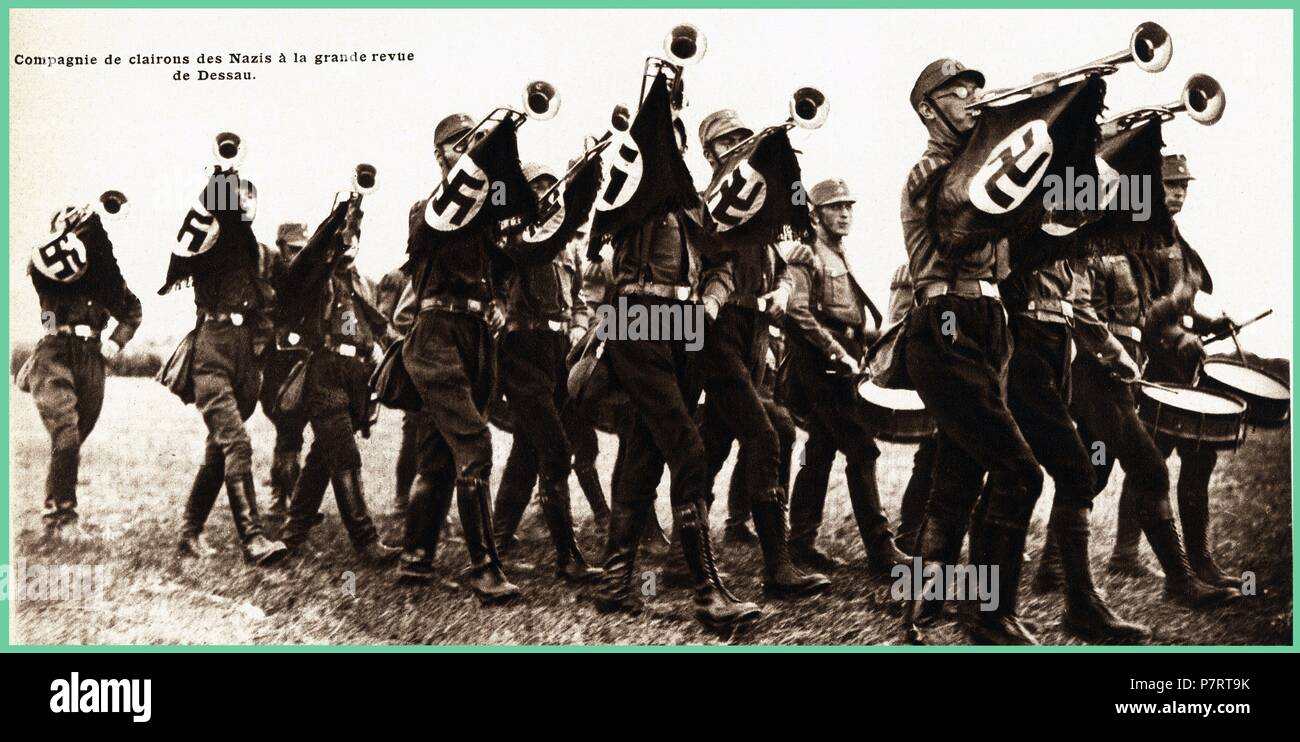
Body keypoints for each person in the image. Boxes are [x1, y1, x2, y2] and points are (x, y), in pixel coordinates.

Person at [592, 114, 764, 631]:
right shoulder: (628, 186)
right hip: (632, 315)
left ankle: (614, 583)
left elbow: (721, 267)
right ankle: (707, 593)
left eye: (674, 134)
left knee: (647, 449)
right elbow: (608, 210)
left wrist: (709, 304)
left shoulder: (696, 201)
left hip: (685, 323)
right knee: (688, 449)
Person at [900, 59, 1044, 644]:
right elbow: (963, 221)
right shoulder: (933, 171)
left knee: (958, 473)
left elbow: (1009, 255)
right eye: (957, 94)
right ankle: (987, 615)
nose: (972, 101)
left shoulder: (982, 171)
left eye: (975, 92)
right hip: (945, 319)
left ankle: (922, 607)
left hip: (985, 319)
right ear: (929, 111)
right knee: (1020, 471)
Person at [694, 109, 830, 598]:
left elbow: (783, 266)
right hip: (717, 330)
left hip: (754, 334)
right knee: (770, 431)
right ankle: (778, 567)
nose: (738, 145)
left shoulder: (759, 209)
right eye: (727, 140)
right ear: (709, 152)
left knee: (711, 446)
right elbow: (708, 262)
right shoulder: (712, 206)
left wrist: (782, 289)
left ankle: (678, 556)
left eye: (742, 138)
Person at [394, 112, 522, 604]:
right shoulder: (427, 209)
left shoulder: (487, 213)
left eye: (475, 141)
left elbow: (505, 268)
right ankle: (484, 568)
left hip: (472, 336)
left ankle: (416, 559)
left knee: (436, 452)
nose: (469, 148)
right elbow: (443, 224)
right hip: (435, 335)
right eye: (458, 144)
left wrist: (500, 303)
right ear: (440, 155)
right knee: (475, 444)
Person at [999, 254, 1149, 641]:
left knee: (1016, 473)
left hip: (1052, 350)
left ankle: (996, 607)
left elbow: (1072, 303)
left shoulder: (1073, 250)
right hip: (1022, 347)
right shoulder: (1037, 228)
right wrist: (1114, 351)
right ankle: (1075, 604)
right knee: (1070, 472)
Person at [1111, 153, 1240, 589]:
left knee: (1198, 458)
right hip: (1153, 369)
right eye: (1171, 185)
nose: (1179, 192)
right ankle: (1127, 553)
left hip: (1184, 369)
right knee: (1151, 461)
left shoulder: (1175, 240)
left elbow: (1180, 307)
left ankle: (1200, 560)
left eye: (1184, 185)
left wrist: (1207, 325)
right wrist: (1176, 321)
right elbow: (1140, 313)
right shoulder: (1136, 237)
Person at [784, 177, 909, 578]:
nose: (844, 213)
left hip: (843, 360)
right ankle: (881, 551)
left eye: (848, 207)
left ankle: (800, 542)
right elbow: (798, 313)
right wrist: (836, 351)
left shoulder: (839, 253)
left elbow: (851, 317)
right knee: (862, 449)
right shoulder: (806, 254)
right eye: (835, 207)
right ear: (815, 215)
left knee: (820, 448)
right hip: (820, 362)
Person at [170, 158, 288, 565]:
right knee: (236, 444)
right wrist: (223, 173)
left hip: (243, 354)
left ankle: (189, 532)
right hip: (213, 350)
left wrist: (258, 343)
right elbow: (202, 221)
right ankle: (253, 539)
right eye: (232, 197)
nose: (241, 204)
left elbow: (268, 303)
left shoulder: (257, 254)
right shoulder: (209, 245)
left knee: (219, 452)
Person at [489, 162, 602, 583]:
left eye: (550, 186)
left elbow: (578, 300)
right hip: (520, 349)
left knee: (527, 448)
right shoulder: (509, 238)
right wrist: (498, 310)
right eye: (536, 187)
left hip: (558, 352)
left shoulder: (567, 247)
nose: (545, 193)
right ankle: (567, 556)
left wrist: (576, 325)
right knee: (555, 448)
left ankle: (496, 542)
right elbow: (494, 288)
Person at [276, 195, 401, 565]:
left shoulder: (361, 283)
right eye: (345, 236)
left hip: (355, 377)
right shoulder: (318, 277)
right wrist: (336, 226)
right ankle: (366, 542)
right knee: (344, 454)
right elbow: (310, 265)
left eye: (356, 235)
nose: (351, 241)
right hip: (325, 372)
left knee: (322, 457)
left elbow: (380, 326)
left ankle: (293, 534)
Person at [24, 202, 142, 542]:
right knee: (67, 434)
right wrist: (52, 331)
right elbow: (44, 285)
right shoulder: (47, 266)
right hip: (56, 353)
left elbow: (132, 309)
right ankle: (62, 515)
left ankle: (56, 513)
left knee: (73, 439)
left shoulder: (104, 276)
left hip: (91, 356)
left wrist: (115, 342)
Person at [258, 222, 311, 532]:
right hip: (275, 367)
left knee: (292, 435)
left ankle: (288, 498)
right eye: (293, 249)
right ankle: (285, 497)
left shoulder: (310, 277)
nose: (297, 256)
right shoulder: (268, 279)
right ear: (280, 246)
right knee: (288, 431)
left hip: (305, 364)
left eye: (302, 250)